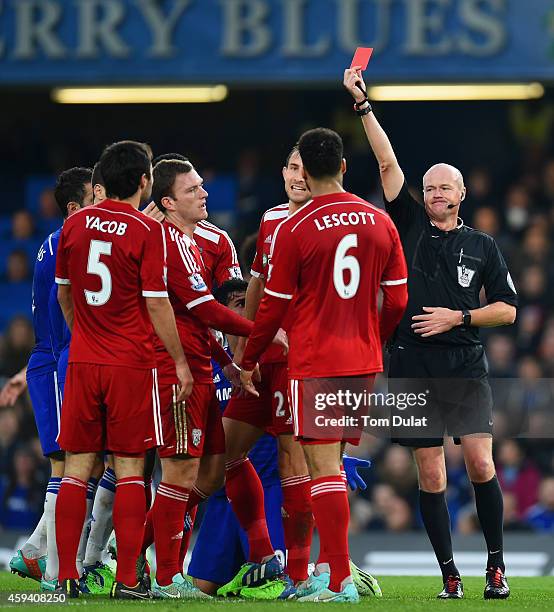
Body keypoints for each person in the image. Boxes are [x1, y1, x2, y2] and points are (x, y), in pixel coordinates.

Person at [343, 67, 518, 600]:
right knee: (429, 472)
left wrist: (457, 318)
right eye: (430, 186)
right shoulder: (409, 224)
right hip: (411, 361)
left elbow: (508, 310)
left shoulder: (484, 246)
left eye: (445, 186)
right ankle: (449, 572)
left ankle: (495, 567)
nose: (436, 192)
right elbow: (387, 161)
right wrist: (364, 106)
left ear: (462, 194)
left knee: (482, 461)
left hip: (463, 362)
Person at [240, 127, 408, 602]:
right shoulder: (380, 221)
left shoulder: (294, 228)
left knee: (323, 471)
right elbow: (397, 298)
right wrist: (373, 335)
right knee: (331, 464)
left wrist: (248, 360)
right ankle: (332, 573)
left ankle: (338, 582)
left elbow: (271, 307)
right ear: (343, 166)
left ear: (306, 173)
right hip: (362, 358)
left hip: (315, 357)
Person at [53, 140, 193, 599]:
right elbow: (156, 303)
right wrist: (177, 359)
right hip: (131, 364)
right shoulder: (147, 231)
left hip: (84, 360)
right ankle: (128, 580)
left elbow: (65, 294)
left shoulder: (73, 226)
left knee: (76, 469)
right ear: (144, 182)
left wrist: (84, 337)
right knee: (131, 469)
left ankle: (67, 577)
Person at [145, 159, 285, 599]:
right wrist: (259, 333)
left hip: (206, 362)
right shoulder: (161, 239)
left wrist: (230, 360)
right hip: (173, 367)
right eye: (193, 190)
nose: (205, 194)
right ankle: (145, 565)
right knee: (168, 472)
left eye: (203, 186)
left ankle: (261, 558)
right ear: (168, 202)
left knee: (221, 465)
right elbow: (205, 309)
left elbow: (225, 302)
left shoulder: (210, 240)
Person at [219, 146, 313, 596]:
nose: (299, 176)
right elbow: (255, 285)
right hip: (263, 359)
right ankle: (265, 556)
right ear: (282, 172)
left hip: (303, 359)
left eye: (307, 170)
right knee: (224, 452)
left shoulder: (328, 220)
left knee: (295, 463)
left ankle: (300, 573)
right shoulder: (272, 219)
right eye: (293, 168)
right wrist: (245, 352)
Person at [8, 168, 97, 592]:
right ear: (75, 207)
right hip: (62, 362)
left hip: (54, 361)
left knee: (84, 464)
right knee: (70, 465)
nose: (103, 203)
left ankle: (37, 551)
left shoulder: (56, 242)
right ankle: (56, 571)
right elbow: (61, 321)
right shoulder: (68, 243)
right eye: (95, 196)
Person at [187, 279, 287, 597]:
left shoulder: (267, 358)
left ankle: (334, 569)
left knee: (273, 580)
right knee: (203, 588)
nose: (247, 309)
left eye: (250, 301)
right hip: (220, 496)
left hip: (267, 487)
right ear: (221, 314)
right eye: (239, 303)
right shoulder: (210, 365)